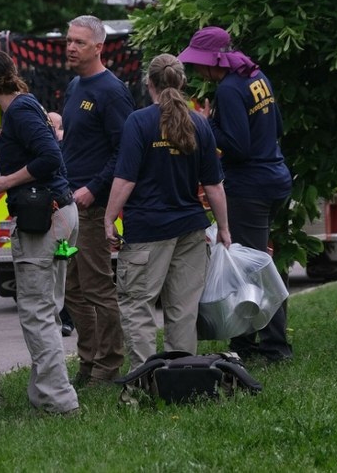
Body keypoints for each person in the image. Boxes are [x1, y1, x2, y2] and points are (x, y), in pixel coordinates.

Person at [104, 54, 232, 370]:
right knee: (183, 309)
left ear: (149, 83)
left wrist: (109, 218)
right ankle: (183, 376)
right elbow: (214, 185)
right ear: (182, 83)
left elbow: (126, 179)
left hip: (148, 231)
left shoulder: (139, 122)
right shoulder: (199, 124)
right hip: (190, 230)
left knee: (138, 305)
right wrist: (225, 230)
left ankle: (147, 377)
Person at [178, 26, 293, 364]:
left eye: (199, 63)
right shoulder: (256, 76)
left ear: (215, 60)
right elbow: (279, 127)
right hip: (275, 178)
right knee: (260, 263)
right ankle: (253, 341)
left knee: (254, 268)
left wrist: (205, 123)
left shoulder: (228, 90)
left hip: (250, 187)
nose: (197, 70)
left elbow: (238, 147)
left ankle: (271, 348)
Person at [0, 50, 80, 416]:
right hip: (59, 213)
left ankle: (60, 401)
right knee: (48, 309)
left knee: (37, 314)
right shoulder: (27, 105)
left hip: (45, 218)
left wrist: (7, 181)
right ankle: (42, 396)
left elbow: (51, 157)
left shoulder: (18, 110)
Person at [61, 15, 133, 386]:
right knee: (71, 288)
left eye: (79, 42)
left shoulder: (112, 91)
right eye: (69, 40)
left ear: (99, 47)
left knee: (97, 287)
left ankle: (109, 364)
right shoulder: (75, 86)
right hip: (68, 207)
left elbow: (124, 150)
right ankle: (88, 360)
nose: (71, 47)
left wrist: (94, 188)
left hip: (93, 208)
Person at [47, 110, 74, 337]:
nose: (52, 130)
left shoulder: (61, 149)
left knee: (62, 273)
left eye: (54, 126)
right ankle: (63, 318)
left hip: (63, 212)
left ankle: (65, 320)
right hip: (62, 213)